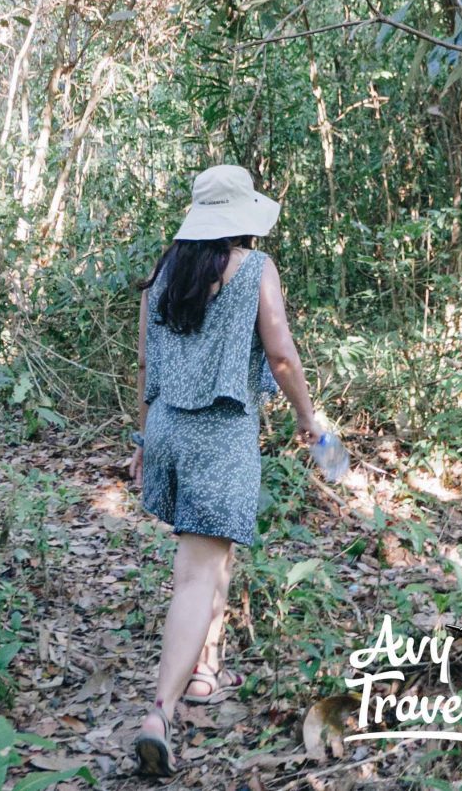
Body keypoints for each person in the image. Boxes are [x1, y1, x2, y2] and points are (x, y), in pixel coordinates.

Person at [129, 163, 324, 779]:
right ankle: (159, 712)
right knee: (196, 573)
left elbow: (146, 365)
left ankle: (206, 671)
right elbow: (281, 353)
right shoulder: (256, 271)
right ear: (242, 219)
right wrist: (308, 420)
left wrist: (141, 437)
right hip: (218, 435)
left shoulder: (164, 273)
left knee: (217, 554)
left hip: (165, 430)